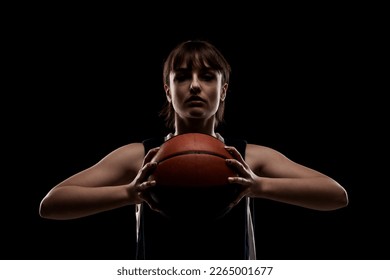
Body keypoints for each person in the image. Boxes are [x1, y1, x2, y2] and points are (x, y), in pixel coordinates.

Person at [39, 39, 349, 260]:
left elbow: (335, 195)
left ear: (223, 90)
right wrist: (130, 193)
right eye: (183, 76)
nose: (195, 86)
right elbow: (52, 204)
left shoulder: (248, 157)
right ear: (168, 89)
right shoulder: (141, 157)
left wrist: (259, 186)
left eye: (207, 76)